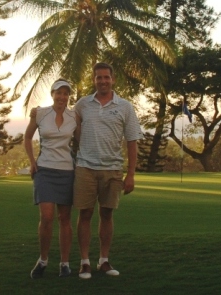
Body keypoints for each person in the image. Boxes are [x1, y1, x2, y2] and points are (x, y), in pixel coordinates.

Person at [73, 62, 143, 279]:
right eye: (98, 77)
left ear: (113, 79)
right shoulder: (82, 104)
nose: (102, 81)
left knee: (106, 214)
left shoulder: (125, 106)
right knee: (85, 214)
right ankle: (84, 262)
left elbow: (132, 140)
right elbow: (71, 130)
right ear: (93, 80)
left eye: (106, 77)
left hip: (112, 169)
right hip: (85, 167)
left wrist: (130, 174)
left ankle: (104, 260)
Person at [24, 79, 78, 279]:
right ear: (52, 94)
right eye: (59, 93)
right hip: (44, 170)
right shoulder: (39, 113)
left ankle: (64, 263)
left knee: (64, 219)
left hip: (66, 171)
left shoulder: (74, 116)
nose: (62, 97)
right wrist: (31, 161)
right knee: (46, 218)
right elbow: (27, 137)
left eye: (66, 94)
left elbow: (80, 140)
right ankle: (43, 260)